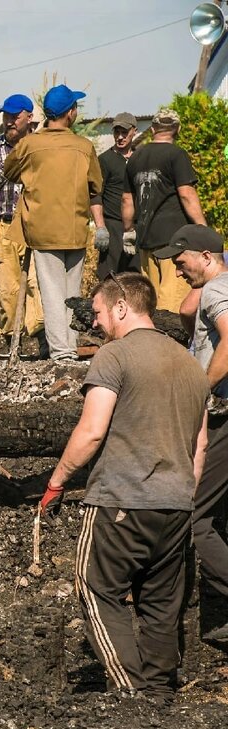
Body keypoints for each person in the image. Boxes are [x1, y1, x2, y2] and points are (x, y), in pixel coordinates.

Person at [42, 274, 208, 698]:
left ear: (120, 306)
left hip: (121, 498)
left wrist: (57, 482)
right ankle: (159, 692)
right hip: (176, 504)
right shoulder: (191, 364)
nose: (94, 323)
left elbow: (92, 431)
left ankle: (131, 691)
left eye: (97, 312)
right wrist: (184, 494)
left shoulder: (114, 356)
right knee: (160, 604)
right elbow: (200, 445)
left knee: (95, 586)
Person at [4, 84, 109, 362]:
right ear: (70, 113)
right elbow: (96, 184)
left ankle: (61, 352)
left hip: (42, 230)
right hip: (74, 228)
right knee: (71, 291)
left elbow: (9, 171)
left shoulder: (30, 145)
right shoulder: (83, 147)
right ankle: (69, 347)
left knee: (51, 292)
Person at [162, 225, 228, 641]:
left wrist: (200, 389)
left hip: (224, 413)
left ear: (205, 256)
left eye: (182, 260)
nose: (177, 268)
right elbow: (188, 308)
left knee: (194, 517)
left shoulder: (218, 290)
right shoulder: (217, 285)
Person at [0, 93, 45, 352]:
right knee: (6, 289)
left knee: (38, 284)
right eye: (7, 116)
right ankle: (14, 340)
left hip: (34, 225)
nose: (10, 121)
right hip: (1, 226)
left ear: (29, 117)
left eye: (15, 116)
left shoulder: (40, 148)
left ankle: (39, 338)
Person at [123, 110, 206, 314]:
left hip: (145, 239)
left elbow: (126, 199)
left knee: (153, 297)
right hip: (173, 241)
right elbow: (186, 194)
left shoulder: (134, 158)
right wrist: (202, 228)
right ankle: (171, 344)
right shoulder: (176, 154)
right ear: (177, 129)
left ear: (152, 129)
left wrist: (128, 231)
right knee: (173, 304)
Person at [97, 112, 139, 277]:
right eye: (117, 132)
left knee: (135, 278)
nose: (120, 137)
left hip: (136, 226)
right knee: (110, 278)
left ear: (134, 131)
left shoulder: (139, 158)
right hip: (113, 226)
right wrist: (101, 227)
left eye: (124, 132)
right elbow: (96, 195)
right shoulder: (105, 160)